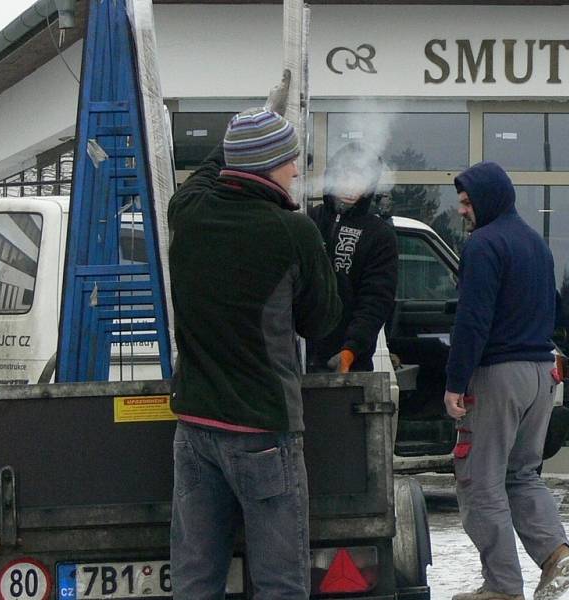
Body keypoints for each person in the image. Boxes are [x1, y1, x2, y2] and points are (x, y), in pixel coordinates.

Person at [166, 73, 341, 599]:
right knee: (280, 584)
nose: (296, 170)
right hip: (263, 431)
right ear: (269, 165)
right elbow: (321, 321)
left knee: (196, 581)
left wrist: (246, 130)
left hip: (194, 431)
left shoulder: (188, 211)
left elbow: (209, 171)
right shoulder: (293, 232)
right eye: (291, 159)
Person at [443, 161, 569, 600]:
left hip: (497, 376)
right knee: (521, 475)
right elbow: (557, 310)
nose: (462, 211)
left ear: (486, 199)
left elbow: (472, 319)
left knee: (479, 480)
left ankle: (501, 587)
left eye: (467, 203)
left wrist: (456, 380)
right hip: (541, 373)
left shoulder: (483, 245)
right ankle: (556, 554)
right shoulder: (536, 244)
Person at [307, 142, 398, 374]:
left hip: (350, 363)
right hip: (298, 355)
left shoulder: (378, 233)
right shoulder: (308, 220)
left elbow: (376, 299)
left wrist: (351, 350)